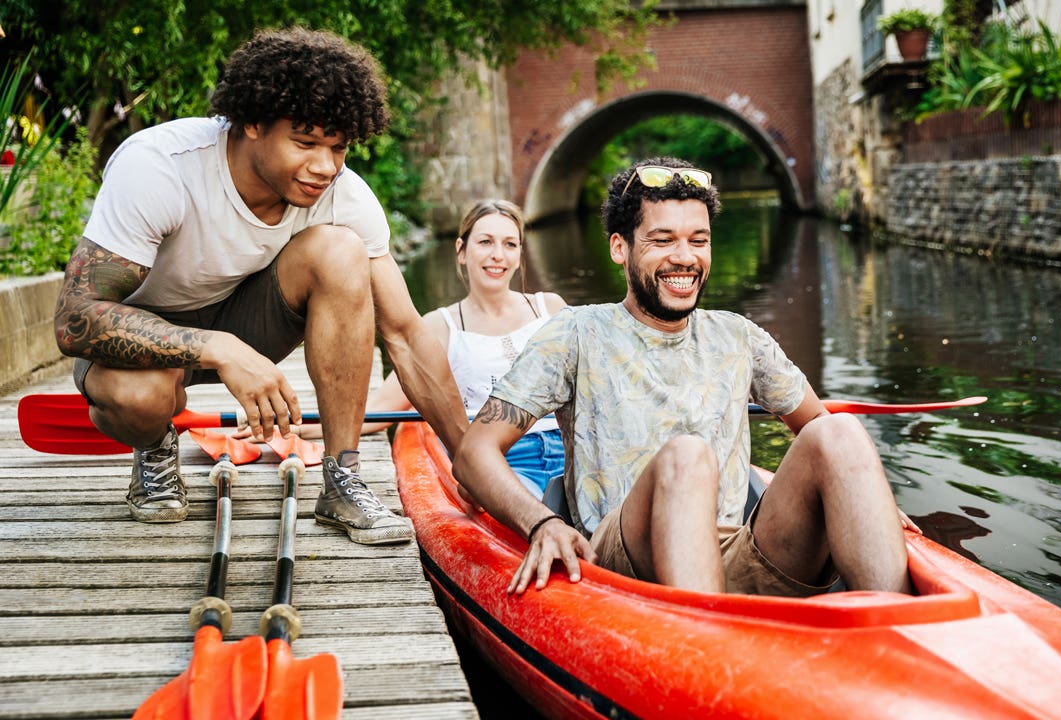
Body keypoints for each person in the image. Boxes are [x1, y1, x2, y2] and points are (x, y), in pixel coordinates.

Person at [52, 28, 467, 545]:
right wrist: (216, 347)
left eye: (337, 147)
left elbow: (405, 333)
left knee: (341, 251)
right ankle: (156, 447)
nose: (325, 167)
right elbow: (75, 319)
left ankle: (342, 479)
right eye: (305, 142)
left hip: (247, 318)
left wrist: (468, 460)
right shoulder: (160, 167)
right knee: (142, 397)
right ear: (252, 122)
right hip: (143, 338)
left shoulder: (343, 194)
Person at [453, 157, 915, 597]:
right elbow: (474, 453)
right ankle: (706, 647)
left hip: (736, 553)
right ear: (620, 247)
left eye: (699, 239)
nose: (685, 257)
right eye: (662, 240)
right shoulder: (576, 332)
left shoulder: (738, 335)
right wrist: (542, 522)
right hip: (623, 560)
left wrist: (859, 489)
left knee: (839, 432)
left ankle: (901, 633)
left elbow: (815, 427)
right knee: (688, 456)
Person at [283, 199, 568, 497]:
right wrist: (297, 427)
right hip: (503, 459)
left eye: (510, 244)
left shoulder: (551, 308)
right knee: (541, 521)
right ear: (461, 250)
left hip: (568, 450)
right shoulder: (439, 326)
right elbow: (381, 410)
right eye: (485, 242)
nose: (498, 255)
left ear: (520, 254)